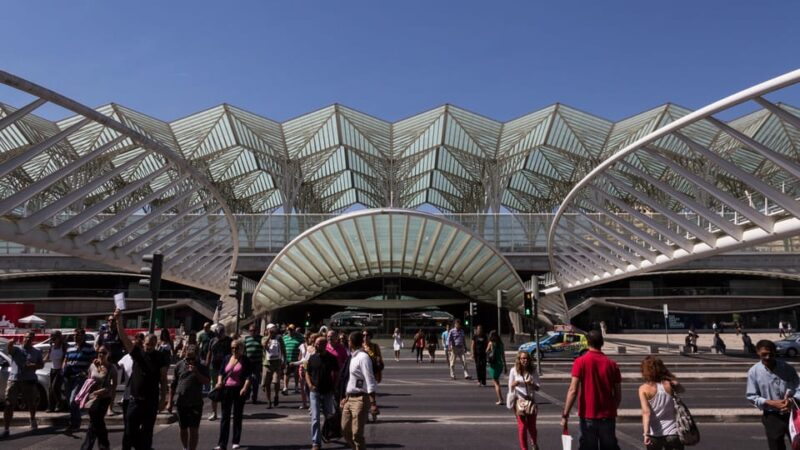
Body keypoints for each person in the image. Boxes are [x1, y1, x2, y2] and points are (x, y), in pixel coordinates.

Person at [114, 308, 169, 450]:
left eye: (151, 344)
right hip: (134, 401)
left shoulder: (160, 357)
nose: (148, 346)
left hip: (151, 402)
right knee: (130, 431)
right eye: (146, 344)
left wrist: (163, 399)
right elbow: (124, 338)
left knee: (147, 433)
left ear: (156, 344)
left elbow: (163, 380)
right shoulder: (137, 354)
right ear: (143, 343)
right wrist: (118, 320)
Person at [561, 330, 622, 450]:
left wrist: (565, 414)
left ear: (587, 343)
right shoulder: (612, 364)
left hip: (588, 415)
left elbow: (573, 390)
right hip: (607, 415)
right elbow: (618, 395)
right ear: (602, 343)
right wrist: (611, 408)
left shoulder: (580, 362)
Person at [747, 339, 800, 450]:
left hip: (792, 415)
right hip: (772, 417)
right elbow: (752, 396)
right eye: (764, 354)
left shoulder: (787, 368)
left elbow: (798, 388)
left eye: (770, 354)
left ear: (775, 352)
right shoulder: (754, 372)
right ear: (757, 352)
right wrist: (771, 403)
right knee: (776, 446)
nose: (767, 357)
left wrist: (791, 400)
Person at [340, 331, 379, 450]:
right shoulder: (352, 357)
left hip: (360, 399)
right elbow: (351, 379)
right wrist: (344, 397)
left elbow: (370, 379)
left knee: (357, 434)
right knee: (345, 430)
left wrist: (373, 403)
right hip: (349, 398)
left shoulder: (363, 357)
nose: (347, 342)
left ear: (351, 342)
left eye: (348, 340)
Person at [2, 331, 44, 438]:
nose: (28, 339)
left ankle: (32, 418)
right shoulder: (17, 349)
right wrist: (10, 343)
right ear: (23, 338)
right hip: (14, 380)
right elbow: (9, 350)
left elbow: (41, 364)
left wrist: (32, 366)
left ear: (33, 339)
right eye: (26, 337)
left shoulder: (37, 351)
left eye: (30, 337)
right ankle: (6, 428)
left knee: (31, 402)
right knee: (9, 404)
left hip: (29, 380)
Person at [167, 348, 210, 450]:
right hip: (181, 403)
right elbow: (173, 385)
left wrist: (196, 372)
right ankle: (185, 448)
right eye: (188, 359)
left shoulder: (201, 365)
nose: (190, 361)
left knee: (194, 429)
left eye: (192, 359)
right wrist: (169, 402)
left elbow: (206, 381)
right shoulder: (179, 365)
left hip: (195, 403)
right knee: (183, 428)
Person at [638, 356, 684, 450]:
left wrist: (646, 434)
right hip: (673, 432)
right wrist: (668, 375)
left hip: (654, 434)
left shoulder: (643, 389)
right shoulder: (670, 384)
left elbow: (646, 413)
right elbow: (682, 390)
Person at [215, 339, 252, 450]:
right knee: (225, 417)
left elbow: (248, 376)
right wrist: (219, 382)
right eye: (232, 348)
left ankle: (236, 441)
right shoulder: (227, 358)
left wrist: (245, 387)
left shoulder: (245, 360)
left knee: (237, 416)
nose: (234, 350)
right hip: (226, 389)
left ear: (241, 348)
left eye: (236, 347)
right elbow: (221, 372)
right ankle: (222, 444)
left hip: (238, 390)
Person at [81, 344, 118, 450]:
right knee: (97, 423)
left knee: (95, 421)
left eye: (104, 352)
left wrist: (111, 405)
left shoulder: (111, 368)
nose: (101, 354)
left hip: (104, 399)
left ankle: (88, 447)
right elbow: (88, 381)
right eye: (99, 352)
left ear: (108, 354)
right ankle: (104, 446)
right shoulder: (92, 366)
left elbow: (113, 386)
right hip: (92, 398)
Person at [306, 336, 338, 450]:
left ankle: (327, 433)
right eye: (315, 343)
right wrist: (310, 385)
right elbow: (307, 373)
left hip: (327, 391)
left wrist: (334, 385)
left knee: (328, 416)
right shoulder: (312, 358)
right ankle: (316, 442)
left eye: (318, 344)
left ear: (324, 345)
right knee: (315, 418)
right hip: (315, 391)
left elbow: (337, 372)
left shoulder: (332, 358)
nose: (315, 345)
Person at [64, 328, 97, 435]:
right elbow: (66, 360)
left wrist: (87, 372)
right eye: (74, 335)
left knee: (73, 400)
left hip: (80, 377)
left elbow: (94, 362)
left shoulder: (89, 348)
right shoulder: (70, 348)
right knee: (69, 401)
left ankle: (75, 423)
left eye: (77, 334)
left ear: (83, 336)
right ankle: (73, 421)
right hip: (69, 377)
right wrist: (63, 369)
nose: (75, 336)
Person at [508, 351, 540, 450]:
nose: (524, 360)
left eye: (526, 358)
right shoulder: (513, 371)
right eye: (522, 358)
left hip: (530, 401)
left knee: (532, 427)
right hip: (519, 401)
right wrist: (514, 384)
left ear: (529, 359)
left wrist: (531, 384)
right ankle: (524, 448)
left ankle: (534, 444)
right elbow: (510, 387)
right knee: (522, 427)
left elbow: (538, 388)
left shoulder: (533, 370)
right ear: (519, 360)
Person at [96, 314, 124, 416]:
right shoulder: (103, 333)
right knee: (102, 385)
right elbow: (99, 347)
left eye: (113, 320)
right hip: (105, 364)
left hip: (116, 363)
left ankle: (110, 408)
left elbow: (124, 347)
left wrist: (122, 362)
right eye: (110, 320)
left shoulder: (120, 333)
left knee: (113, 386)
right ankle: (101, 406)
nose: (111, 322)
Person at [207, 324, 232, 420]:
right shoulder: (212, 341)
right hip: (214, 368)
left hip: (226, 368)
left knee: (226, 390)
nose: (219, 335)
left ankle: (226, 412)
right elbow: (209, 353)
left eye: (220, 333)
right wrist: (207, 365)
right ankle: (214, 413)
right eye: (217, 334)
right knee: (214, 389)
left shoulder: (229, 341)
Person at [261, 324, 286, 409]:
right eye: (270, 330)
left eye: (273, 330)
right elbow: (264, 345)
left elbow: (283, 349)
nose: (272, 331)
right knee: (267, 384)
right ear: (267, 330)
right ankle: (269, 401)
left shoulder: (279, 338)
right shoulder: (264, 338)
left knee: (276, 382)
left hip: (277, 364)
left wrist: (284, 360)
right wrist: (269, 336)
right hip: (267, 364)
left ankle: (276, 395)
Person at [45, 330, 68, 412]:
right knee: (50, 389)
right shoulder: (52, 347)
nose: (53, 339)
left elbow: (66, 358)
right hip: (53, 369)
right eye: (52, 337)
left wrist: (62, 368)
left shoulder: (63, 347)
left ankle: (61, 403)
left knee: (55, 387)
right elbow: (47, 358)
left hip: (60, 370)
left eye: (54, 337)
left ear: (59, 338)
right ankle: (51, 406)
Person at [243, 324, 263, 404]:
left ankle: (254, 397)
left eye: (254, 330)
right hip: (248, 363)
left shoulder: (261, 339)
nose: (253, 332)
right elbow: (244, 350)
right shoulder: (246, 339)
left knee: (255, 380)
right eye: (251, 331)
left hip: (257, 363)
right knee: (247, 379)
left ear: (257, 331)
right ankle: (246, 394)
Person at [282, 324, 304, 395]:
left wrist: (301, 356)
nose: (290, 331)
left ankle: (296, 386)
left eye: (291, 330)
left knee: (296, 374)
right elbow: (282, 348)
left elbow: (303, 346)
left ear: (294, 330)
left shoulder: (300, 337)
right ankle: (285, 387)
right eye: (289, 330)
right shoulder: (284, 338)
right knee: (286, 373)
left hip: (296, 359)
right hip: (287, 359)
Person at [486, 330, 507, 405]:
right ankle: (501, 398)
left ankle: (500, 399)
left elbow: (486, 352)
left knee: (496, 383)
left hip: (493, 365)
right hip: (500, 364)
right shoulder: (501, 344)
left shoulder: (491, 343)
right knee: (497, 381)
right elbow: (503, 356)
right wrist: (505, 366)